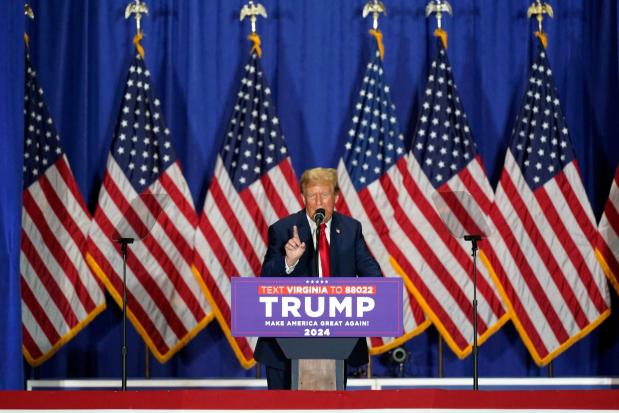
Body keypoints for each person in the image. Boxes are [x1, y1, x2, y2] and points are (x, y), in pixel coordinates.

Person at [254, 167, 382, 390]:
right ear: (303, 198)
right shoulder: (283, 229)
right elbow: (265, 279)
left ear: (336, 197)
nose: (318, 201)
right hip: (284, 346)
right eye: (312, 195)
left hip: (337, 342)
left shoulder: (351, 229)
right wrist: (289, 261)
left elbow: (373, 275)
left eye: (324, 194)